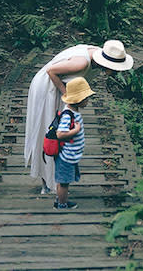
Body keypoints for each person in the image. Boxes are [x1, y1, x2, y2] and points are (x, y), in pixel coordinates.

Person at [24, 40, 133, 193]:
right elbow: (51, 71)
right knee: (48, 130)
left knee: (58, 133)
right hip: (47, 88)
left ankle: (53, 179)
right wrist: (67, 94)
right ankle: (46, 181)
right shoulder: (82, 63)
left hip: (60, 88)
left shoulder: (96, 56)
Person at [53, 77, 94, 209]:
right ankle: (62, 204)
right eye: (86, 98)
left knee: (62, 181)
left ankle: (60, 200)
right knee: (64, 182)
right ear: (78, 100)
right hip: (66, 156)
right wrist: (76, 130)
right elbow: (60, 134)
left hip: (70, 155)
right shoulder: (68, 115)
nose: (88, 101)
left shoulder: (73, 111)